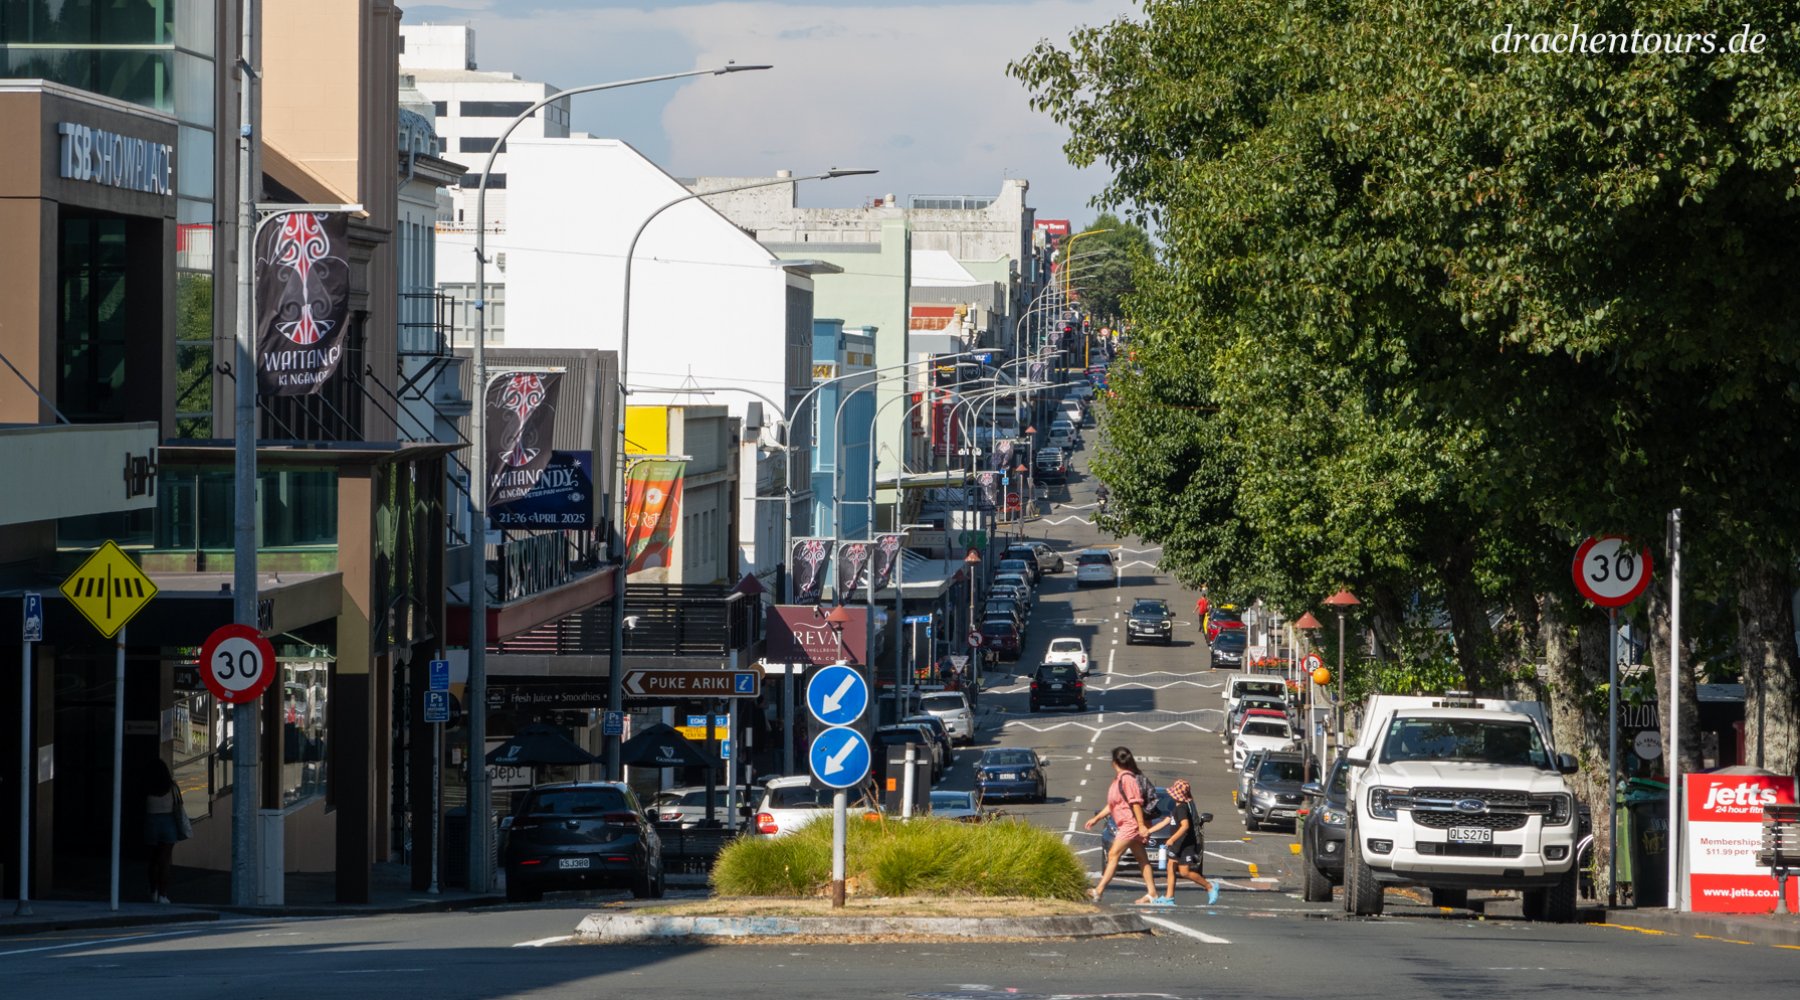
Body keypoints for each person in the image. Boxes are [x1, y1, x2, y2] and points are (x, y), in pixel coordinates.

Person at [1083, 746, 1162, 904]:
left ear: (1114, 762)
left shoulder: (1127, 779)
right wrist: (1096, 818)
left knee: (1113, 854)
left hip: (1130, 824)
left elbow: (1136, 803)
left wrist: (1141, 825)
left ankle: (1098, 891)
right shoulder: (1120, 779)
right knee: (1142, 859)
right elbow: (1113, 805)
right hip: (1127, 824)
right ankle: (1152, 893)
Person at [1148, 779, 1219, 905]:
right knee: (1170, 867)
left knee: (1184, 872)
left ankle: (1209, 886)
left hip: (1186, 844)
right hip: (1177, 844)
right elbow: (1165, 821)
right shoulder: (1176, 808)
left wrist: (1172, 839)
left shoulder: (1182, 808)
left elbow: (1185, 826)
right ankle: (1169, 897)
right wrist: (1149, 831)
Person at [144, 758, 181, 903]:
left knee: (152, 860)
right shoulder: (172, 786)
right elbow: (179, 804)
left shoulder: (147, 786)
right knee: (165, 861)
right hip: (168, 822)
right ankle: (163, 894)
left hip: (151, 822)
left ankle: (153, 891)